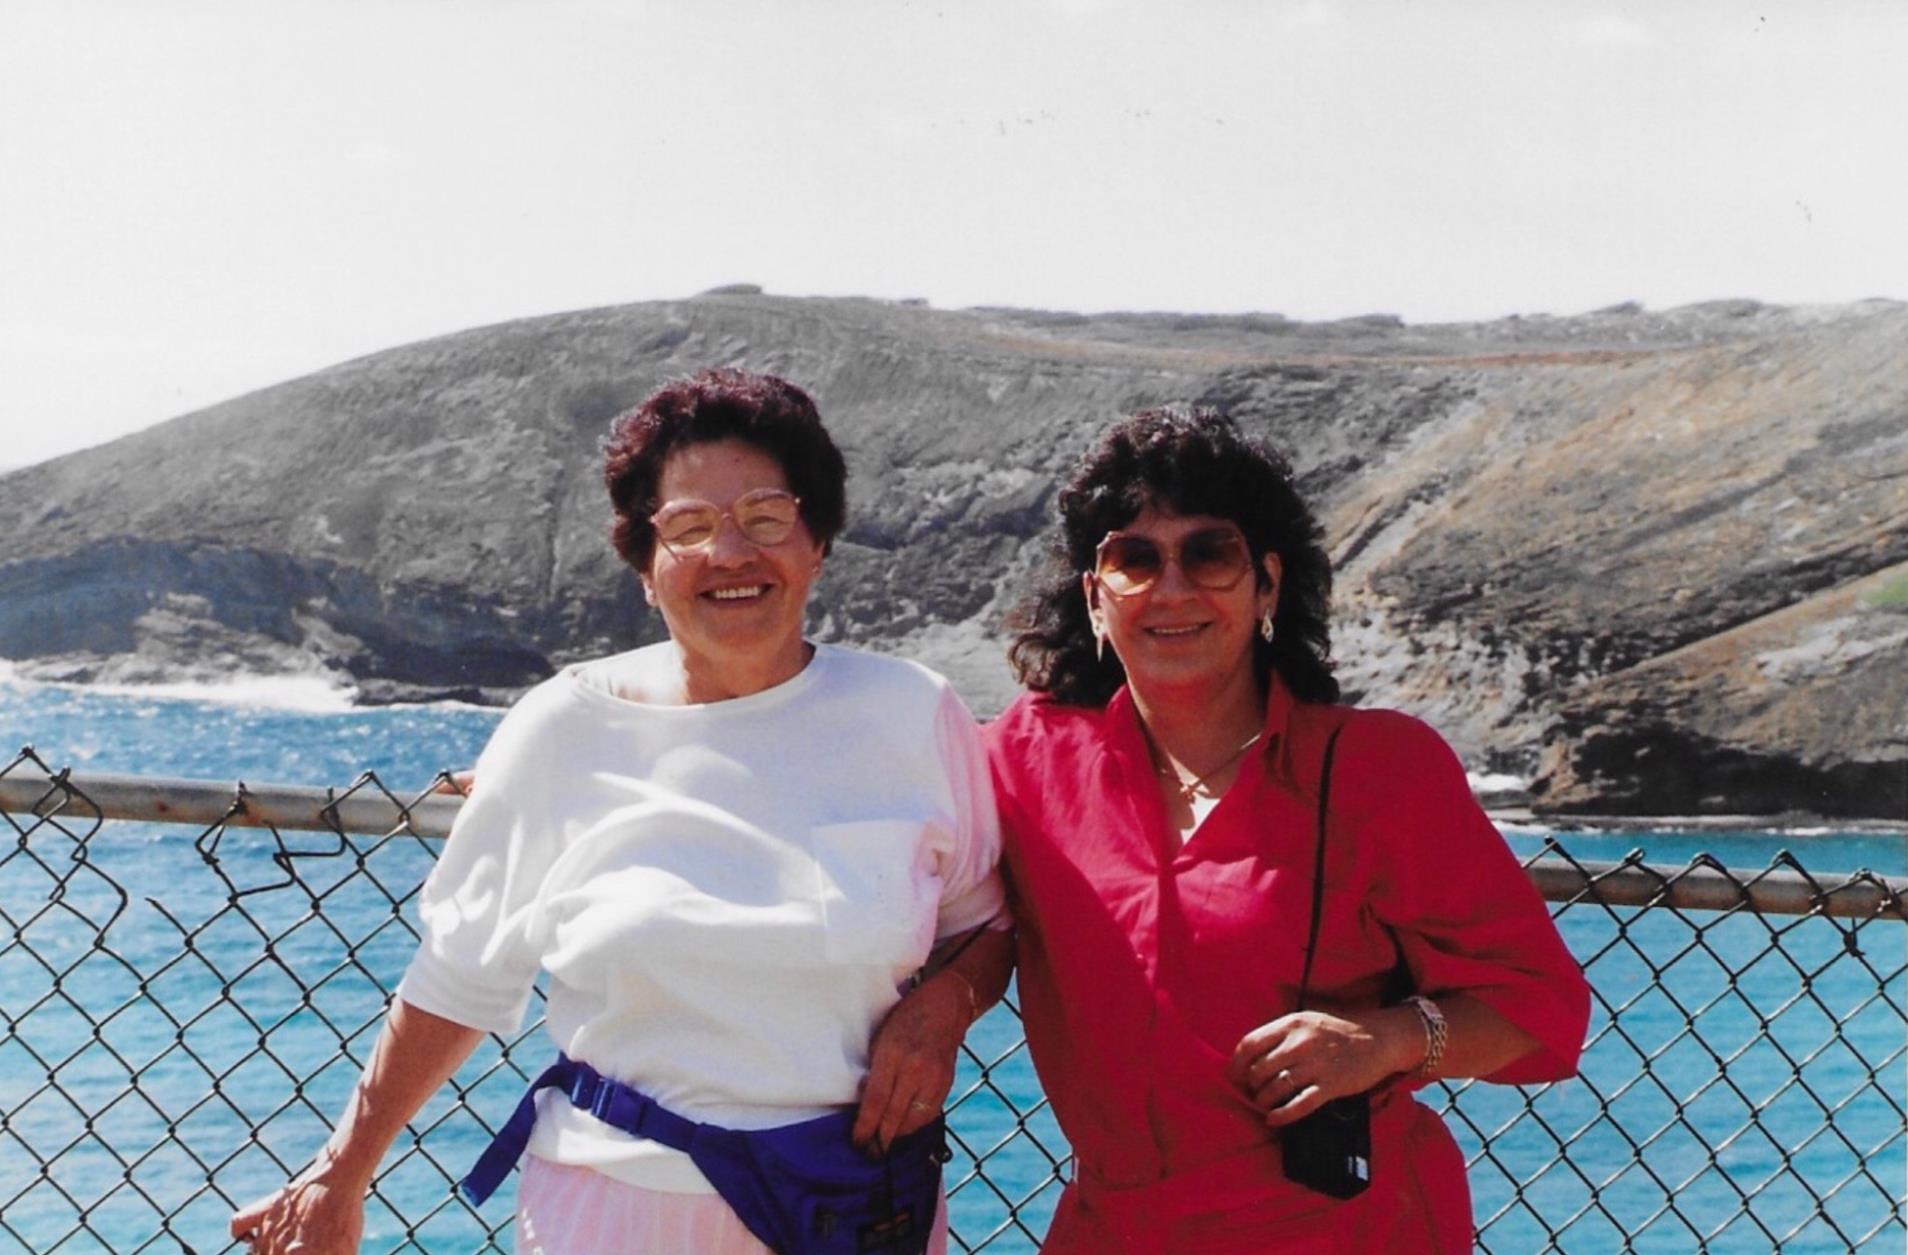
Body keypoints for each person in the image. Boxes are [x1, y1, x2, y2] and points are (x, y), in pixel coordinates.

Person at [230, 368, 1011, 1255]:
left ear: (817, 540)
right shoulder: (566, 726)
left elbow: (985, 922)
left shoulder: (914, 712)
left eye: (764, 516)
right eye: (687, 527)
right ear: (645, 567)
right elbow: (460, 975)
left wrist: (944, 1006)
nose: (731, 553)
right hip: (614, 1212)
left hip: (857, 1209)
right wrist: (342, 1170)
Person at [987, 407, 1590, 1253]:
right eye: (1135, 557)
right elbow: (934, 904)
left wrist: (1384, 1041)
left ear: (1267, 584)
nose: (1172, 588)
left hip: (1344, 1230)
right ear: (1095, 594)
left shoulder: (1382, 770)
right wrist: (939, 1008)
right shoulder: (1022, 760)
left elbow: (1541, 1006)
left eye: (1210, 553)